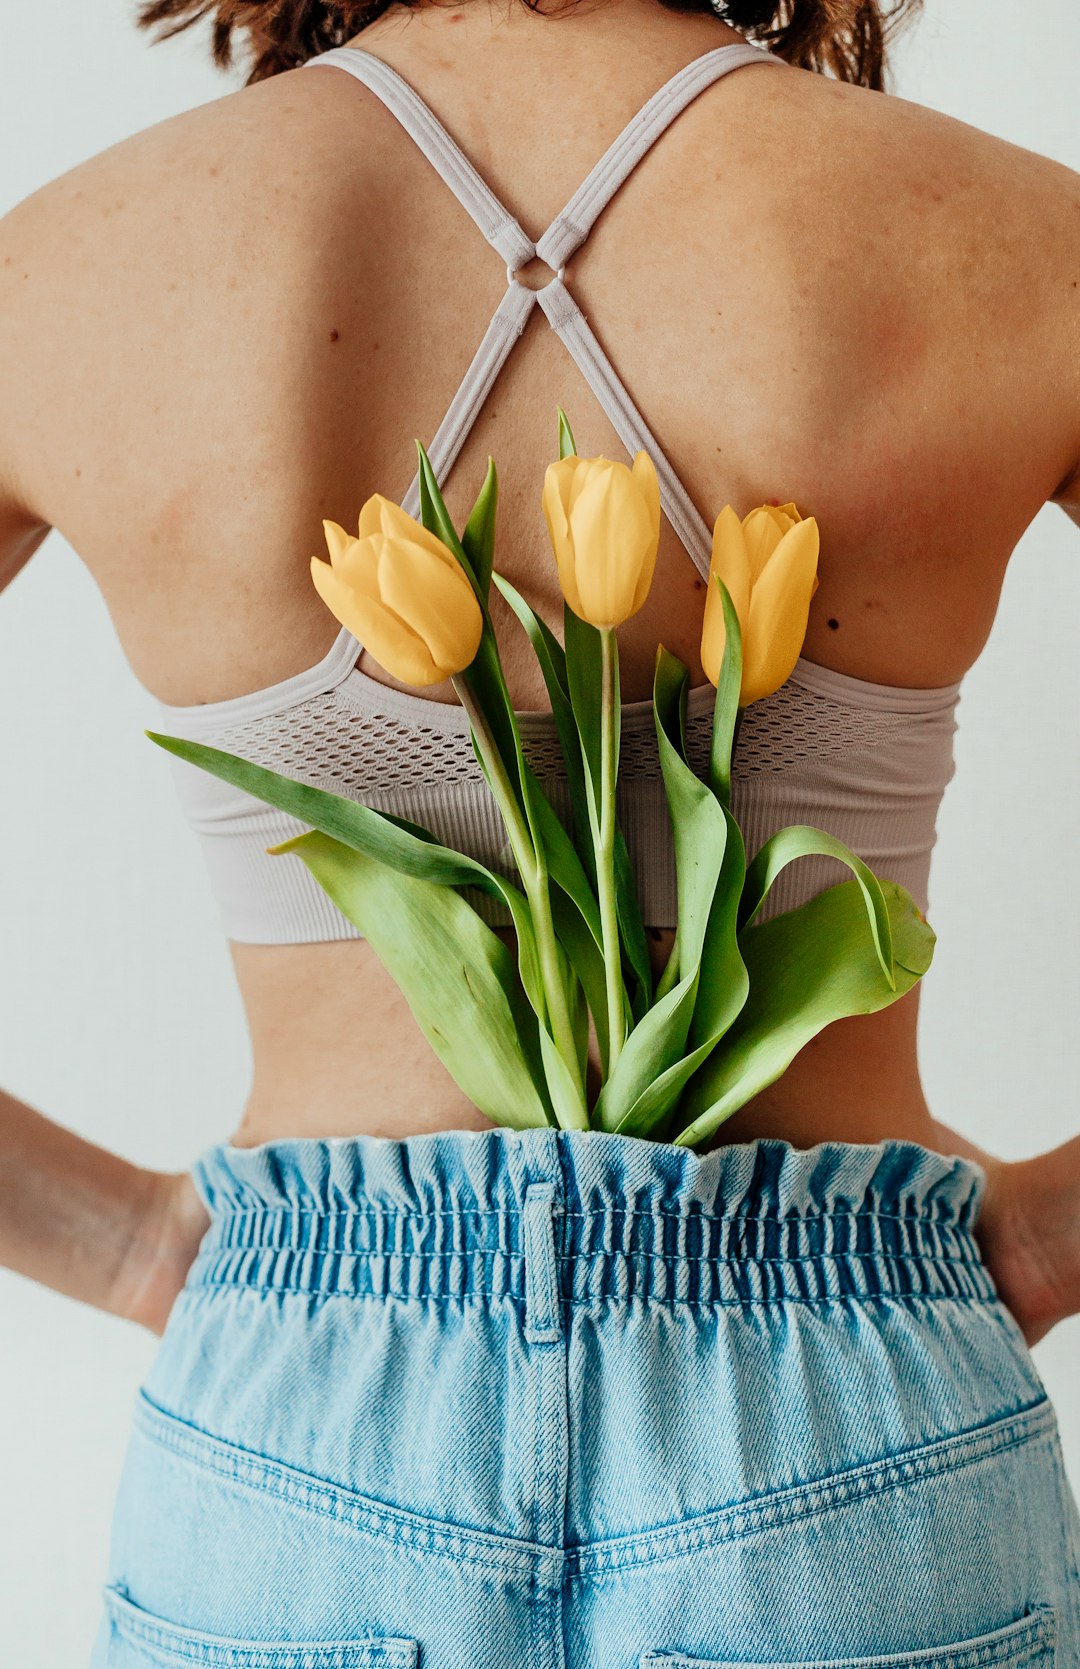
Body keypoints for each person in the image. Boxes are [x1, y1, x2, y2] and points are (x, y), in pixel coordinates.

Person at [1, 0, 1079, 1658]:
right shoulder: (1005, 240)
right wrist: (1039, 1234)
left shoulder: (72, 270)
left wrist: (145, 1242)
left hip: (300, 1415)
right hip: (852, 1407)